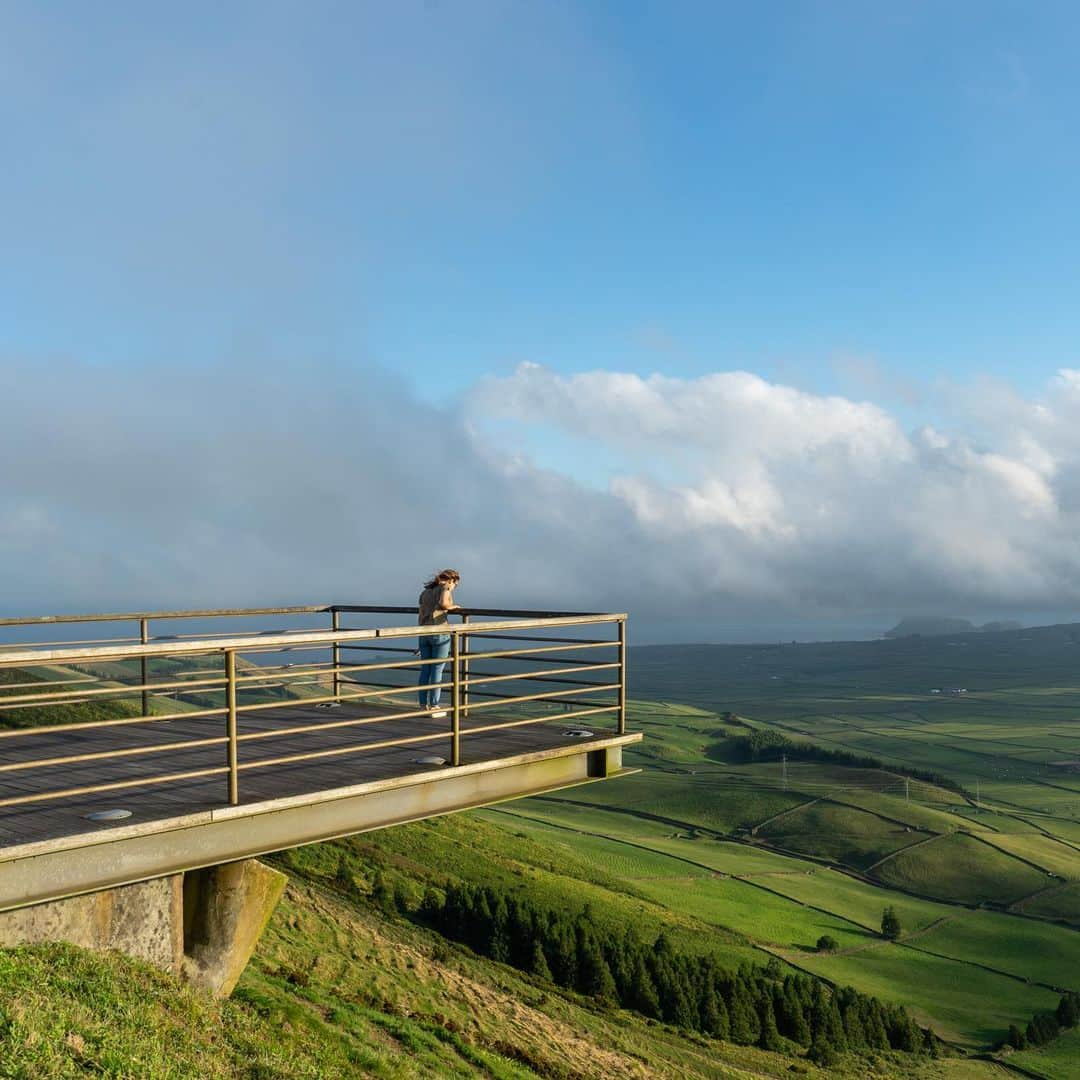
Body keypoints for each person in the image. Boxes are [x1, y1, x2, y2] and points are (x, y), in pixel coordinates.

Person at [417, 569, 460, 718]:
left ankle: (423, 706)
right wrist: (455, 607)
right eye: (455, 584)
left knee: (425, 669)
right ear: (451, 580)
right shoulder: (445, 587)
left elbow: (422, 611)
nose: (454, 587)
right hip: (439, 632)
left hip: (423, 632)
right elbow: (444, 604)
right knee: (437, 670)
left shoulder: (426, 592)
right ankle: (435, 705)